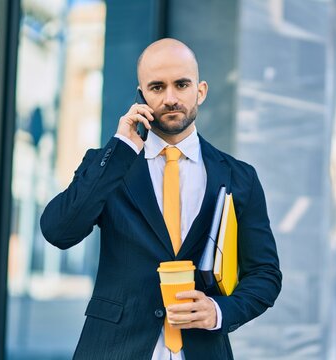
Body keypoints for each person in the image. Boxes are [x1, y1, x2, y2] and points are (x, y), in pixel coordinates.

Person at [40, 38, 282, 360]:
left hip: (202, 350)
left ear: (201, 90)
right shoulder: (110, 165)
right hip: (114, 348)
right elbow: (59, 231)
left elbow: (265, 273)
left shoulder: (240, 177)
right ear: (141, 95)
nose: (170, 98)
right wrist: (119, 149)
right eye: (157, 87)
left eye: (181, 84)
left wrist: (219, 311)